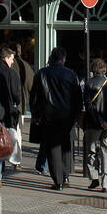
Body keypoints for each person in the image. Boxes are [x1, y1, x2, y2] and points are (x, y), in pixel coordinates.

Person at [30, 46, 82, 191]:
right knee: (66, 147)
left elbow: (34, 98)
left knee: (52, 149)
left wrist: (36, 114)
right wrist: (76, 116)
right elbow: (78, 98)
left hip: (49, 117)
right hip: (67, 117)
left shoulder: (41, 74)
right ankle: (65, 177)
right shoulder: (71, 74)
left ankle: (57, 180)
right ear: (63, 59)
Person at [82, 58, 107, 191]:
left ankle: (94, 178)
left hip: (93, 123)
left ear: (93, 70)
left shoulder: (89, 84)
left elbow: (89, 106)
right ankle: (106, 183)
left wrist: (100, 121)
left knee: (91, 151)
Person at [0, 46, 22, 176]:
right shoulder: (11, 74)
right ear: (6, 58)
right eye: (12, 58)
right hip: (5, 111)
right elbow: (16, 95)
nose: (13, 61)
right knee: (1, 139)